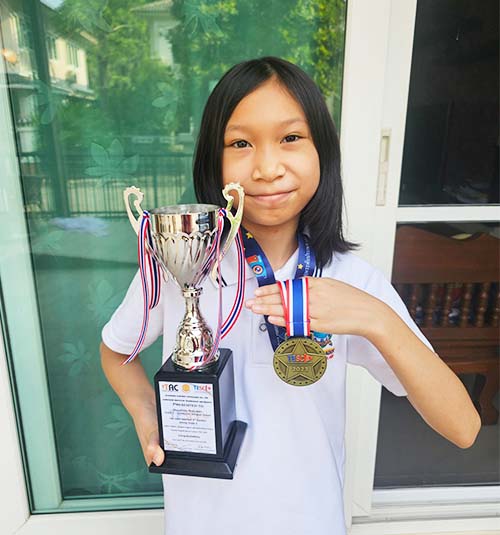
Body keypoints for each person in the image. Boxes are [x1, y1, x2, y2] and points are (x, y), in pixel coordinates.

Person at [100, 56, 481, 535]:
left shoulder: (351, 278)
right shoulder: (179, 261)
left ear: (323, 151)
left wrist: (376, 319)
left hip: (311, 520)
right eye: (241, 143)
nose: (267, 168)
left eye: (291, 138)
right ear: (214, 161)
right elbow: (116, 351)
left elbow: (463, 427)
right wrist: (146, 414)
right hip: (198, 521)